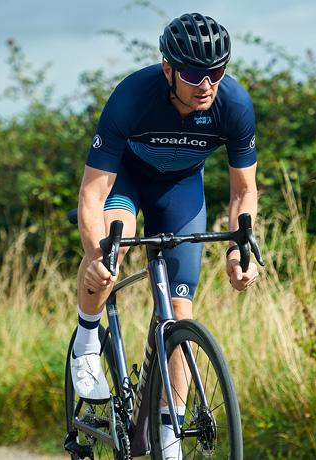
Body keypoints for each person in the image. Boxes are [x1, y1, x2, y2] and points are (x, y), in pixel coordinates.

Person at [70, 12, 259, 459]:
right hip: (127, 183)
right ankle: (86, 339)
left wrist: (239, 249)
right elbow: (92, 193)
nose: (206, 84)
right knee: (113, 249)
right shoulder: (132, 97)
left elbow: (243, 192)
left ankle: (167, 433)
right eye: (194, 73)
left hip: (181, 190)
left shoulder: (234, 105)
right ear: (168, 68)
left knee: (178, 308)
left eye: (216, 71)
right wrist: (97, 254)